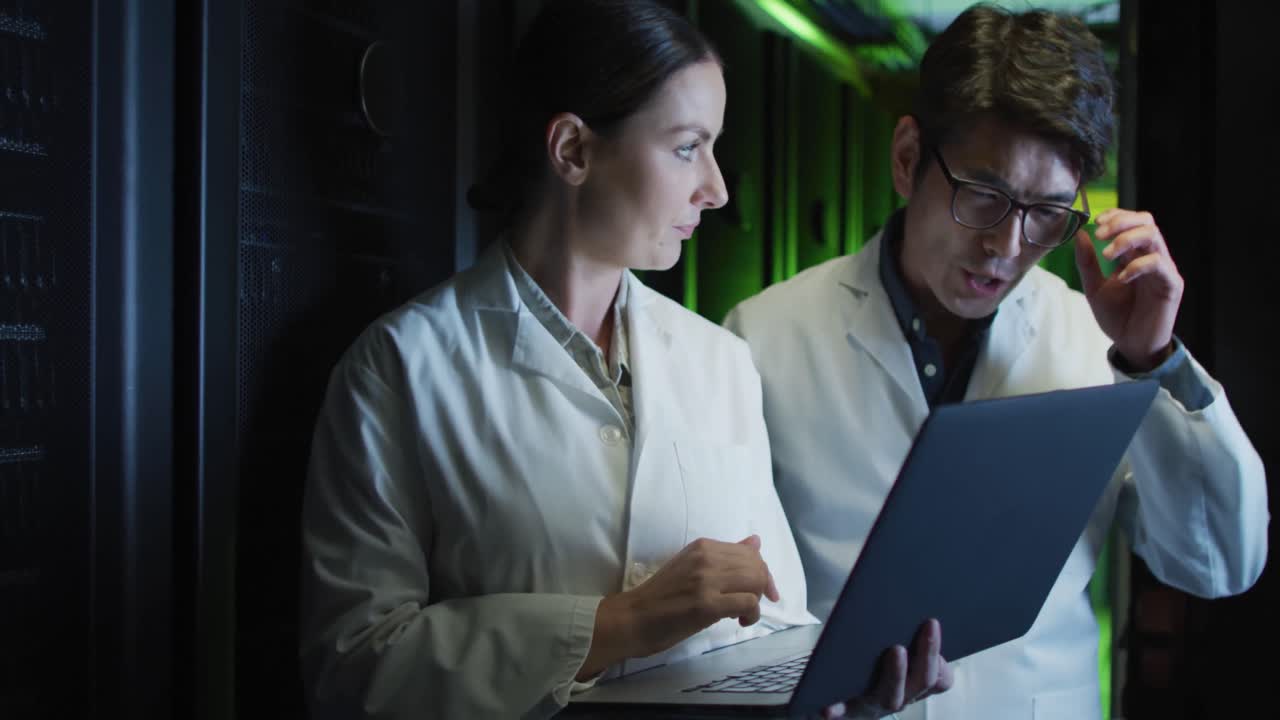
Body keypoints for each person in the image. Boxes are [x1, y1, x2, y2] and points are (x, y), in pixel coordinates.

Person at [724, 4, 1269, 719]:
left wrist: (1154, 362)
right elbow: (734, 613)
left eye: (1047, 211)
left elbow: (1218, 563)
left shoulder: (1093, 344)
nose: (1007, 246)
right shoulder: (762, 338)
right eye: (983, 194)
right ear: (908, 158)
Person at [297, 2, 830, 717]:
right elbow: (352, 667)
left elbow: (778, 618)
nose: (716, 188)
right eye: (686, 148)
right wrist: (621, 626)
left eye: (713, 147)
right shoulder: (399, 370)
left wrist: (847, 686)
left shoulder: (722, 361)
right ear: (573, 150)